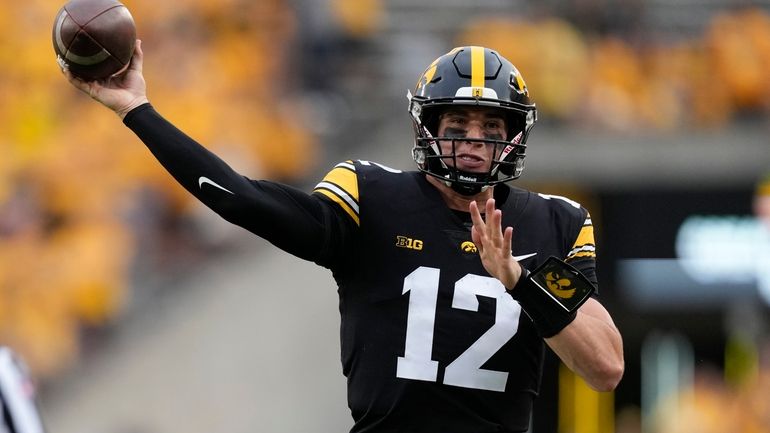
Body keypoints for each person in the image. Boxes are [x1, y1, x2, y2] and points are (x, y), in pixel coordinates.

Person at [62, 43, 624, 432]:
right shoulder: (372, 196)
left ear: (515, 136)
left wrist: (521, 281)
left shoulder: (554, 222)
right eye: (456, 127)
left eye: (490, 128)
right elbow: (244, 199)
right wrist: (138, 110)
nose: (472, 142)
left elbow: (605, 367)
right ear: (427, 130)